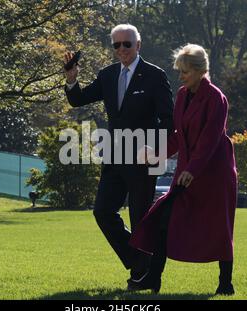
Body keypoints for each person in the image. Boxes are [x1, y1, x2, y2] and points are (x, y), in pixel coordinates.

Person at [63, 24, 174, 287]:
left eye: (127, 44)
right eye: (117, 45)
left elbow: (169, 119)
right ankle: (138, 263)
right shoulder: (108, 75)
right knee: (102, 211)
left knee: (140, 219)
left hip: (143, 159)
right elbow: (78, 99)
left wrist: (153, 147)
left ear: (139, 45)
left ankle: (143, 276)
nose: (122, 49)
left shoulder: (155, 75)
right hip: (114, 157)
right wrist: (71, 79)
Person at [129, 44, 238, 295]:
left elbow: (210, 139)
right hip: (188, 171)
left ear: (201, 70)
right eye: (179, 71)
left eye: (185, 72)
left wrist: (193, 169)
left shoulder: (216, 98)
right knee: (163, 219)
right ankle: (152, 278)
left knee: (219, 227)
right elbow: (179, 136)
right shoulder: (182, 94)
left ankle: (225, 283)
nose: (181, 76)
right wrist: (158, 155)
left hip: (214, 173)